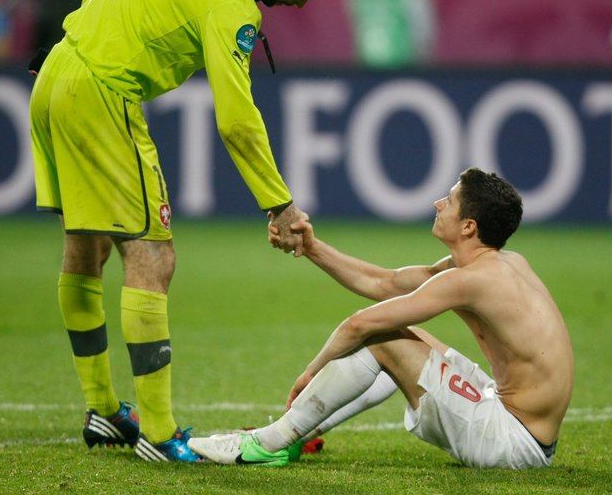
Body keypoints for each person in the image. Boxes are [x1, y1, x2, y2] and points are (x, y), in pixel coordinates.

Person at [28, 0, 342, 462]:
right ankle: (158, 430)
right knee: (154, 255)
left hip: (56, 71)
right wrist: (281, 204)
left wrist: (84, 33)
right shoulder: (235, 5)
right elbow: (237, 120)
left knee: (87, 247)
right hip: (104, 91)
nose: (294, 6)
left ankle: (103, 409)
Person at [190, 167, 574, 469]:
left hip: (512, 442)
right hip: (526, 431)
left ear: (469, 226)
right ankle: (304, 433)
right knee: (405, 336)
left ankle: (267, 444)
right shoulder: (500, 264)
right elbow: (385, 282)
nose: (438, 203)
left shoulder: (472, 280)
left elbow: (361, 323)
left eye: (450, 200)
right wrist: (311, 247)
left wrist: (308, 376)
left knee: (385, 338)